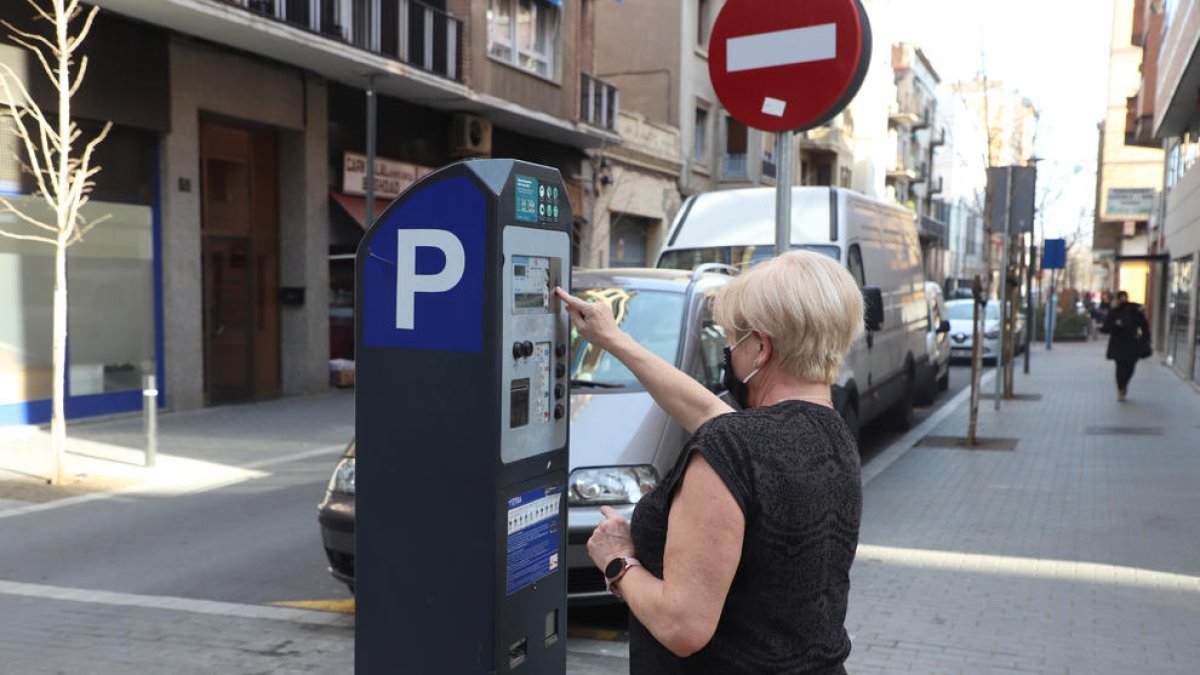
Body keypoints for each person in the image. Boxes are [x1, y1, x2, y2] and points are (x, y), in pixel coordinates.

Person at [554, 251, 864, 674]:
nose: (728, 351)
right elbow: (703, 410)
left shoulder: (735, 445)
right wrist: (613, 339)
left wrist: (618, 560)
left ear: (760, 347)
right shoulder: (832, 432)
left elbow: (683, 626)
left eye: (732, 339)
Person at [1100, 290, 1150, 401]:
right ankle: (1121, 388)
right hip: (1118, 343)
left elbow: (1144, 326)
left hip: (1132, 343)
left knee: (1130, 366)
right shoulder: (1114, 312)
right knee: (1120, 368)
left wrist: (1145, 340)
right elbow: (1105, 328)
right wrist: (1116, 324)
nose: (1123, 300)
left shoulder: (1135, 310)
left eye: (1124, 297)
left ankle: (1124, 385)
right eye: (1120, 298)